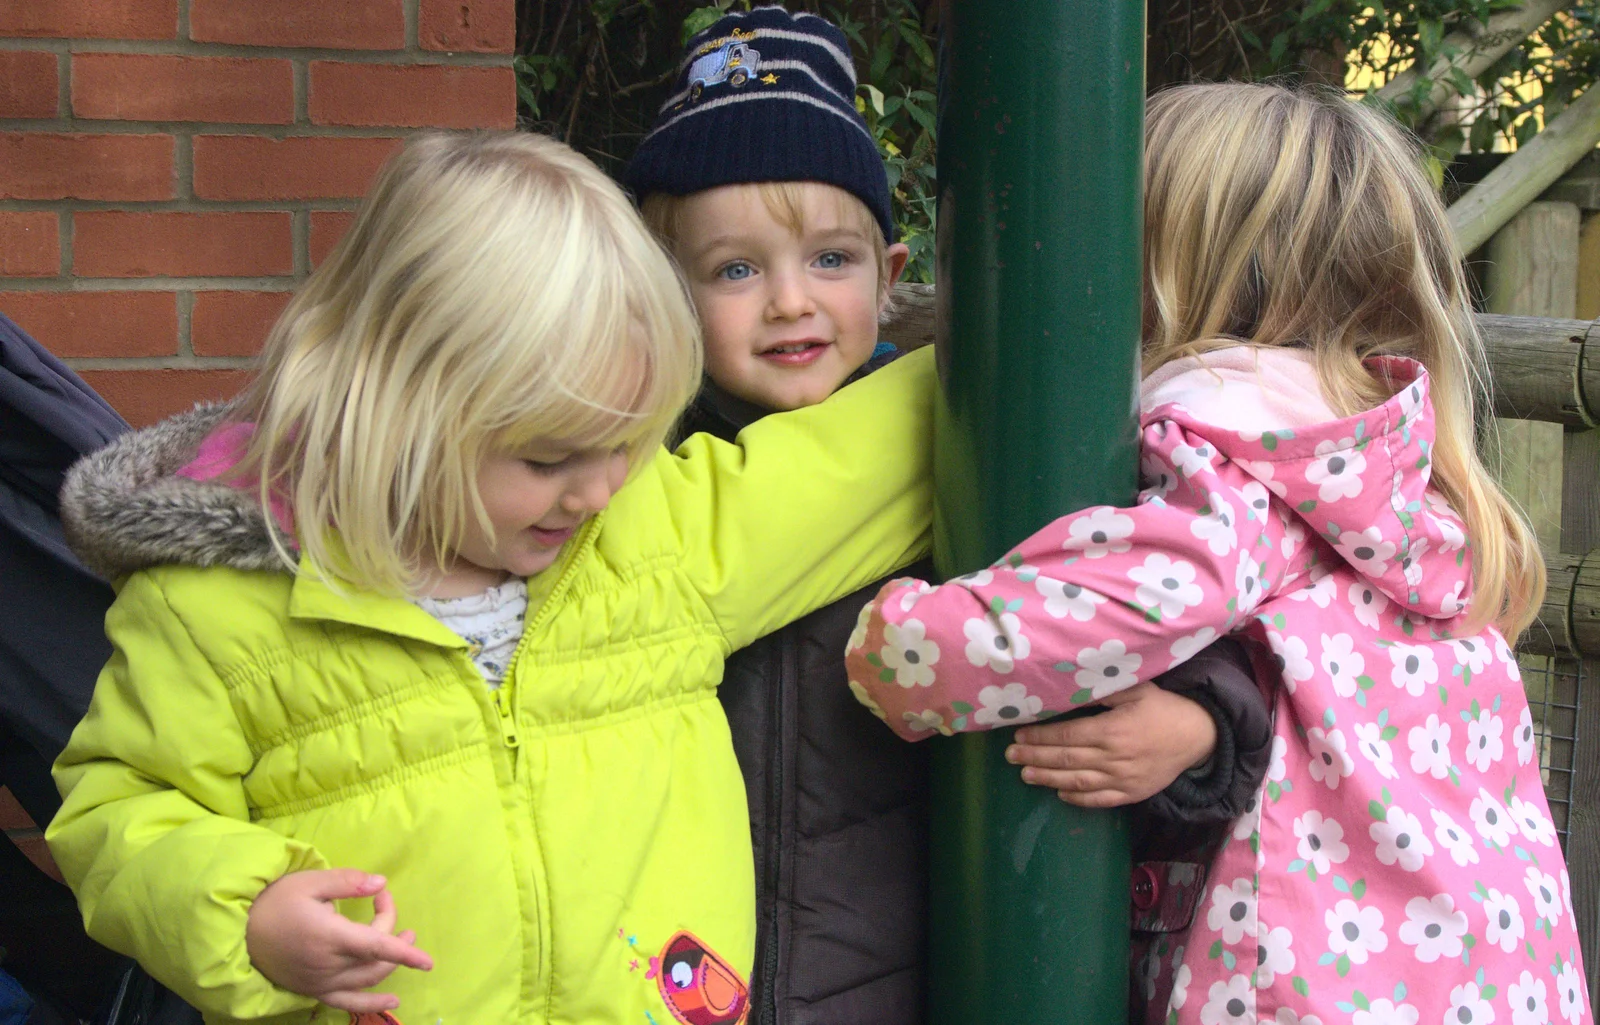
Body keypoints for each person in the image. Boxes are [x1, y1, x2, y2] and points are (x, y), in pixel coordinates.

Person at [46, 130, 940, 1025]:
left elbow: (852, 469)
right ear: (398, 408)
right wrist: (246, 915)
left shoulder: (650, 537)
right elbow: (119, 809)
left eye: (628, 444)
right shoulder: (217, 608)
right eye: (550, 456)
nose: (598, 488)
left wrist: (1034, 317)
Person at [846, 83, 1591, 1025]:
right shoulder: (1400, 475)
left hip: (1314, 995)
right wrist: (1205, 730)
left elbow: (1113, 602)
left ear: (1156, 271)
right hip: (1504, 983)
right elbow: (1329, 686)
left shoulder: (1240, 442)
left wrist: (899, 650)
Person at [626, 10, 1272, 1023]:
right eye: (735, 270)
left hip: (906, 980)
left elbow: (1119, 594)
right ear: (665, 295)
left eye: (829, 260)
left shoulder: (974, 449)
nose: (790, 301)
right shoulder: (641, 474)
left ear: (890, 278)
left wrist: (1196, 726)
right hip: (689, 973)